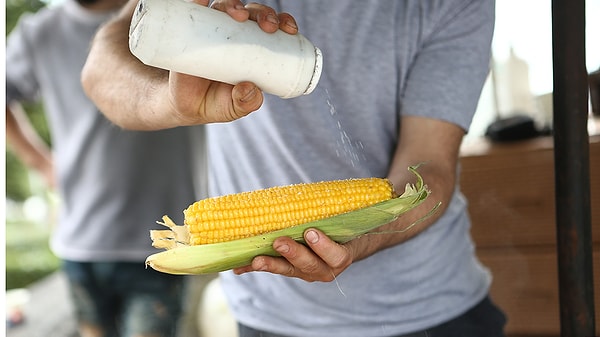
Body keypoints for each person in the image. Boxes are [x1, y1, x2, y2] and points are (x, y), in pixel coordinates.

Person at [81, 0, 506, 336]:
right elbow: (101, 70)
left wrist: (358, 239)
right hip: (269, 316)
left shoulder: (451, 3)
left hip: (429, 311)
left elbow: (428, 167)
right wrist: (170, 102)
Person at [5, 0, 202, 336]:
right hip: (80, 243)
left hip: (162, 244)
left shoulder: (176, 12)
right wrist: (40, 162)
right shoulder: (39, 32)